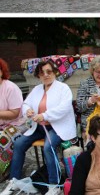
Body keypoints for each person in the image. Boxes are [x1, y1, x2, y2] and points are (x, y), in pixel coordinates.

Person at [7, 60, 75, 195]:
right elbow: (25, 104)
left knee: (48, 147)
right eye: (41, 73)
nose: (45, 75)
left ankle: (54, 185)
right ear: (38, 75)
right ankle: (13, 181)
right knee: (19, 143)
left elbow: (64, 108)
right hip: (39, 127)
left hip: (58, 127)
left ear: (55, 72)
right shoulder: (37, 89)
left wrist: (44, 115)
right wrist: (28, 111)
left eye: (49, 71)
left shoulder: (63, 88)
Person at [0, 58, 25, 179]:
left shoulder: (10, 88)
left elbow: (15, 113)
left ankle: (3, 171)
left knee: (2, 139)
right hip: (2, 124)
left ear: (1, 72)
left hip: (17, 124)